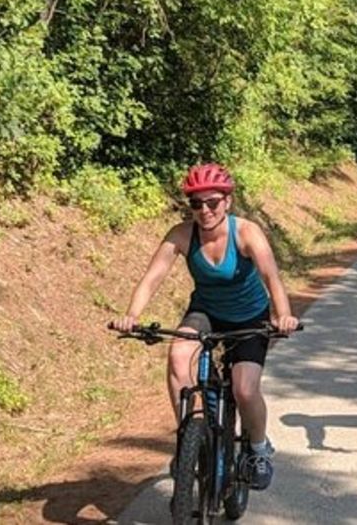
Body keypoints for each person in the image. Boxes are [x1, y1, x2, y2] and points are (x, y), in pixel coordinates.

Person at [110, 163, 299, 490]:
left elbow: (272, 277)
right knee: (178, 357)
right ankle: (191, 436)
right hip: (206, 312)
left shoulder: (246, 232)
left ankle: (258, 448)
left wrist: (283, 316)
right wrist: (132, 315)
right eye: (196, 204)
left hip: (249, 317)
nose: (204, 210)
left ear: (227, 201)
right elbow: (151, 279)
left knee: (244, 389)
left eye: (212, 202)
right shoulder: (181, 234)